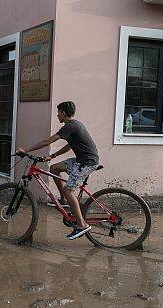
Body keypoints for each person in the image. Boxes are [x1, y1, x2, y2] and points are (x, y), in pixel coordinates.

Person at [17, 101, 100, 240]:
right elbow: (69, 146)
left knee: (69, 190)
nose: (57, 115)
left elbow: (47, 142)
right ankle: (64, 201)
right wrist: (52, 156)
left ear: (63, 113)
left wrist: (26, 149)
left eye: (58, 112)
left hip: (87, 162)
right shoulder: (75, 125)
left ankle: (81, 225)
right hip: (81, 160)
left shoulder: (70, 126)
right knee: (54, 168)